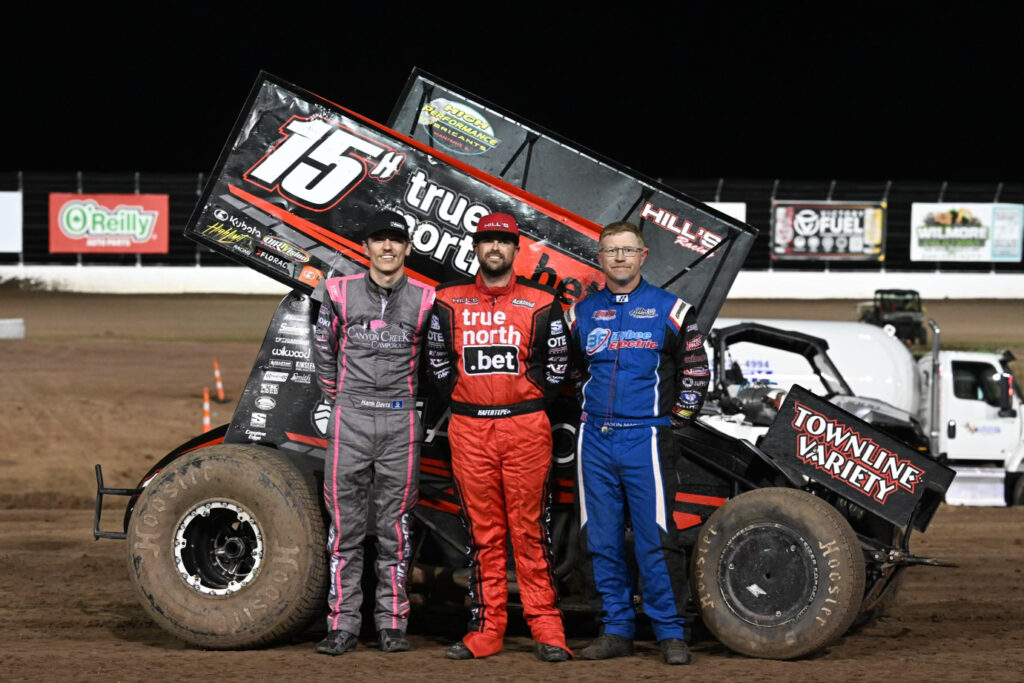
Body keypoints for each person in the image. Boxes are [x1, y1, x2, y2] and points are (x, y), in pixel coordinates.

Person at [427, 211, 572, 662]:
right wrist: (463, 397)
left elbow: (559, 366)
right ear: (476, 247)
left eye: (504, 242)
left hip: (526, 427)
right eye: (487, 241)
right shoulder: (447, 301)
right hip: (470, 429)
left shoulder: (542, 302)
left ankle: (547, 629)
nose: (495, 248)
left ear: (516, 249)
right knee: (484, 534)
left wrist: (527, 401)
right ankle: (487, 630)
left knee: (529, 532)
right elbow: (435, 361)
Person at [564, 221, 708, 666]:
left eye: (628, 251)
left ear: (643, 256)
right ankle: (616, 629)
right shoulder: (580, 313)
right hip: (595, 438)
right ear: (599, 257)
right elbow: (569, 372)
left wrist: (675, 421)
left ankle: (671, 632)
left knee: (655, 538)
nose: (620, 258)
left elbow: (697, 372)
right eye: (611, 251)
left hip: (646, 437)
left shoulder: (672, 310)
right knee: (600, 538)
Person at [312, 209, 435, 656]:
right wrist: (341, 397)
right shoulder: (338, 291)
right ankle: (342, 624)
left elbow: (432, 362)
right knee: (344, 529)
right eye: (379, 240)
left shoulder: (426, 298)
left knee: (395, 530)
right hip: (352, 418)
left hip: (402, 422)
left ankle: (391, 623)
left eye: (395, 241)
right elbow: (323, 350)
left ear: (406, 248)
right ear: (365, 247)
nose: (387, 248)